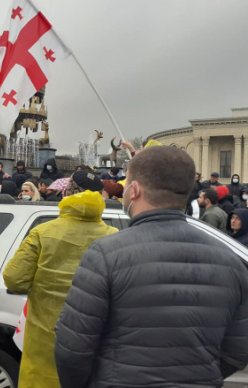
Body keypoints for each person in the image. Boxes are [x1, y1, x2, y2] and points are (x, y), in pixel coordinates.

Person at [54, 146, 248, 388]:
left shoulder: (104, 254)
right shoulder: (231, 262)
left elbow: (72, 348)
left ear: (134, 190)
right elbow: (238, 351)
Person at [4, 170, 116, 388]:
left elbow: (14, 279)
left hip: (44, 347)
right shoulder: (114, 236)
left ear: (67, 192)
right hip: (95, 346)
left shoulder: (42, 232)